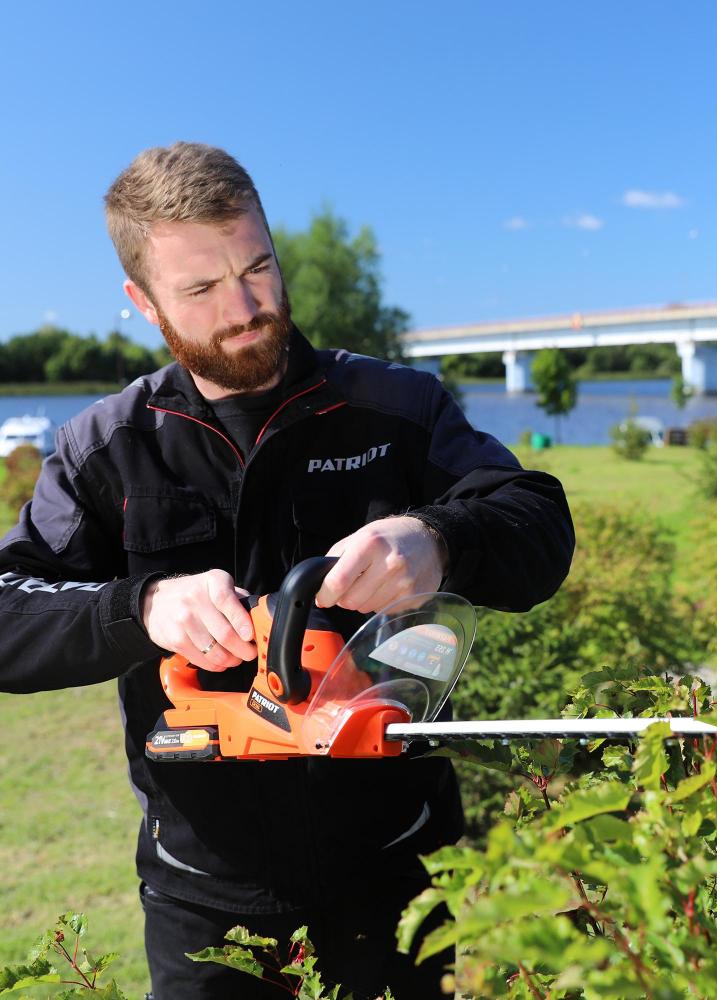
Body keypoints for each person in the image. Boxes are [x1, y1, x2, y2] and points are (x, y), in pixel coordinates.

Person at [0, 142, 574, 999]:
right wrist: (141, 606)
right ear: (143, 301)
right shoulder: (103, 449)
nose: (246, 308)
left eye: (257, 267)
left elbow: (539, 519)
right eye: (200, 289)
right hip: (204, 896)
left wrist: (440, 537)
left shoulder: (398, 407)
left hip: (399, 872)